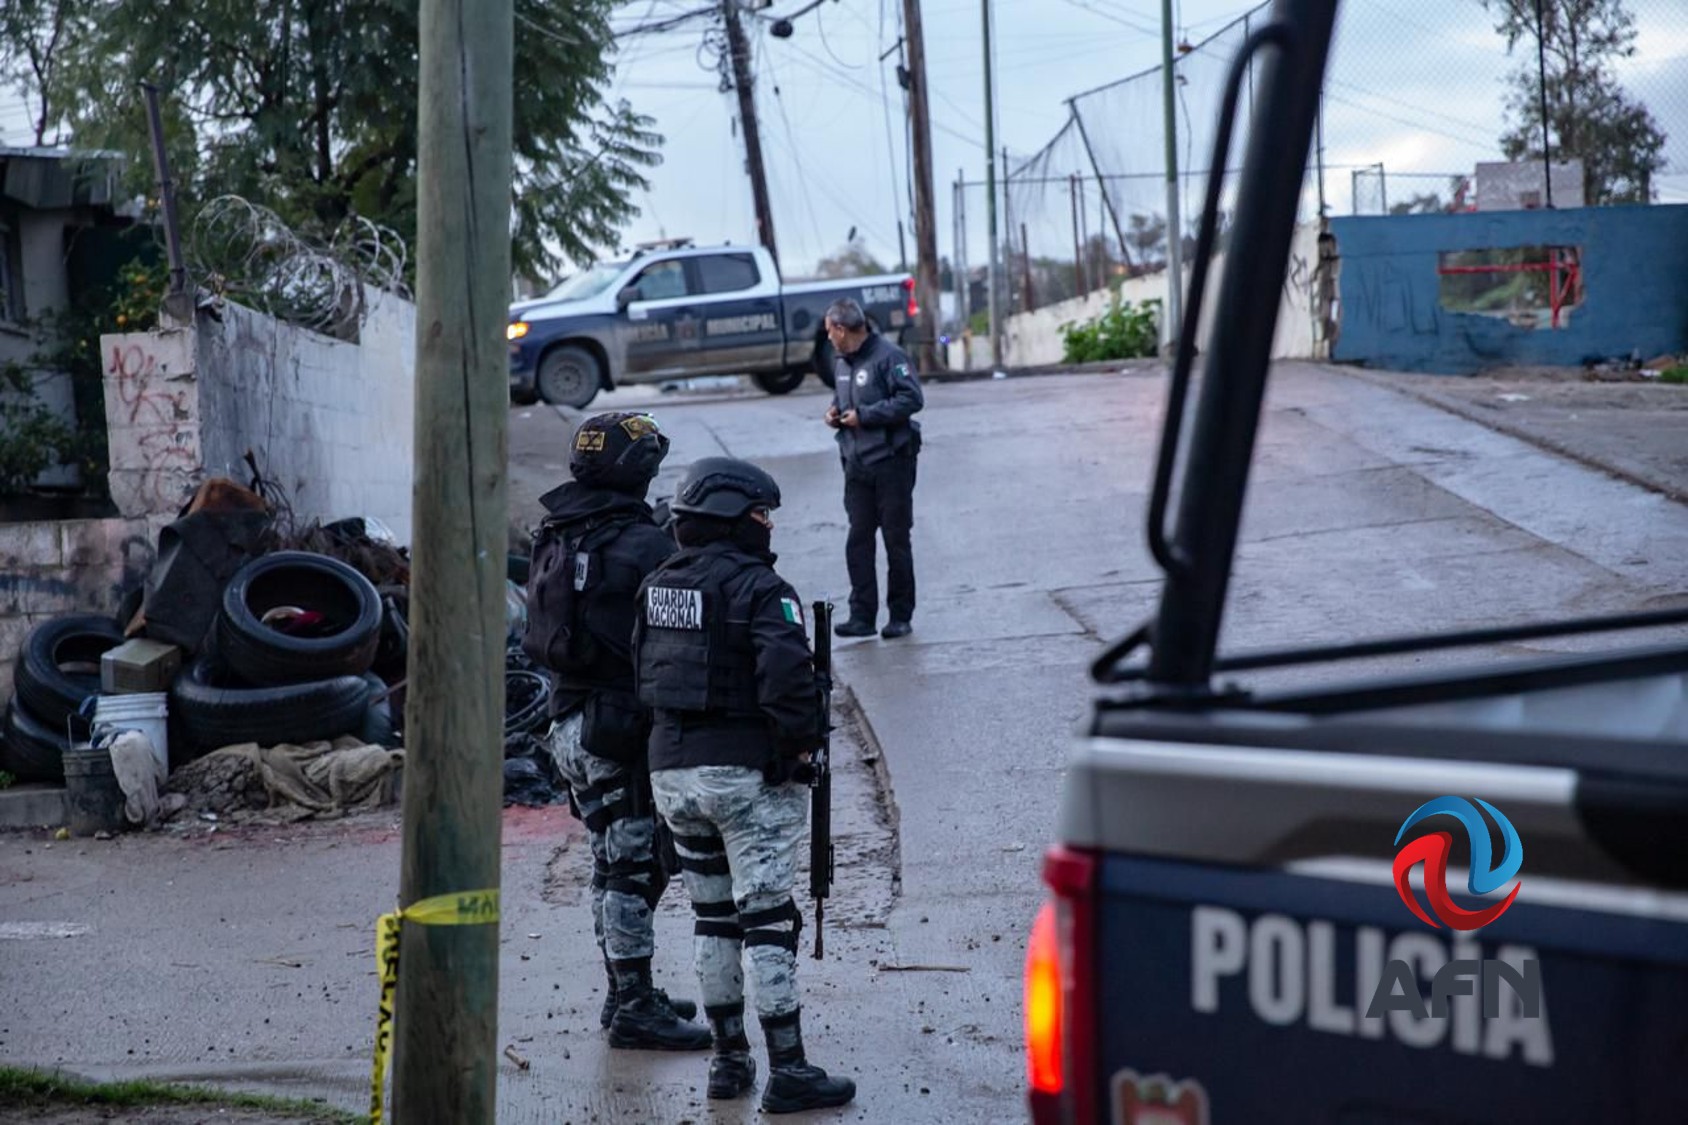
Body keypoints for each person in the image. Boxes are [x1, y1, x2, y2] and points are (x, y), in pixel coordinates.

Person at [634, 456, 857, 1113]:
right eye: (761, 513)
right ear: (733, 517)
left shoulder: (657, 585)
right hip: (743, 777)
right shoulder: (763, 588)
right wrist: (800, 746)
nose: (768, 525)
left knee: (712, 917)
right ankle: (788, 1069)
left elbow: (639, 672)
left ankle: (728, 1060)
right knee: (765, 918)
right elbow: (788, 678)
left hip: (672, 774)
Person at [524, 411, 710, 1052]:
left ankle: (624, 992)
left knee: (610, 863)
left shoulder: (558, 529)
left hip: (566, 723)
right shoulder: (642, 544)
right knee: (632, 867)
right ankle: (633, 1005)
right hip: (615, 730)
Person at [822, 297, 924, 640]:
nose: (828, 338)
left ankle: (900, 616)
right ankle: (861, 616)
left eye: (829, 331)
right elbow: (844, 397)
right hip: (856, 464)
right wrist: (834, 412)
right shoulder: (841, 362)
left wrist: (866, 416)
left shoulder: (889, 357)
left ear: (841, 329)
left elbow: (912, 399)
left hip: (891, 462)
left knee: (896, 540)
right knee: (858, 540)